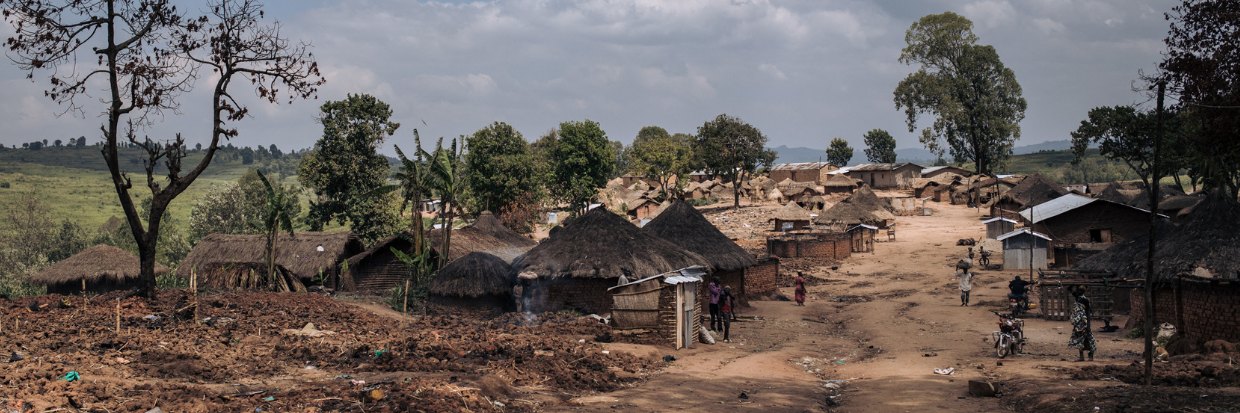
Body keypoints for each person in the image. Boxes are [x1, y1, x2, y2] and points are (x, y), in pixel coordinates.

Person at [1068, 287, 1097, 361]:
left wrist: (1088, 325)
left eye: (1080, 290)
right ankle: (1081, 357)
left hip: (1084, 322)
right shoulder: (1078, 297)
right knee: (1079, 339)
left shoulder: (1085, 300)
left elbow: (1088, 313)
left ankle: (1090, 356)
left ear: (1083, 292)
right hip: (1078, 323)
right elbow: (1070, 289)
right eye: (1078, 290)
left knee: (1088, 339)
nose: (1078, 292)